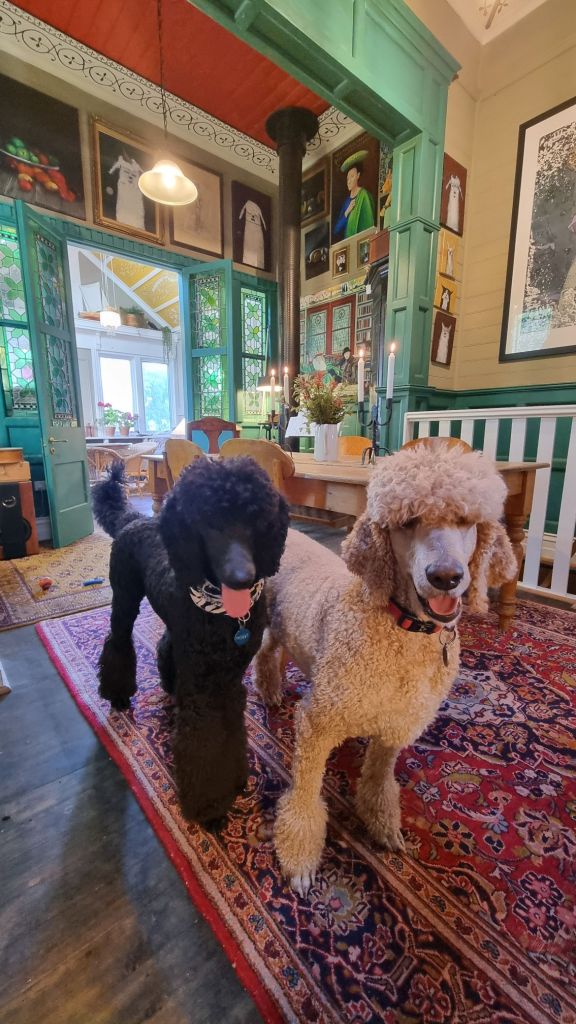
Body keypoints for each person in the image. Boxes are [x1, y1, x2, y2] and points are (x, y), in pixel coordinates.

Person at [333, 150, 375, 241]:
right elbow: (336, 230)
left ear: (358, 176)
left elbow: (369, 223)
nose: (349, 181)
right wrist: (347, 212)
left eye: (352, 176)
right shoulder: (346, 202)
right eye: (347, 178)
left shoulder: (364, 195)